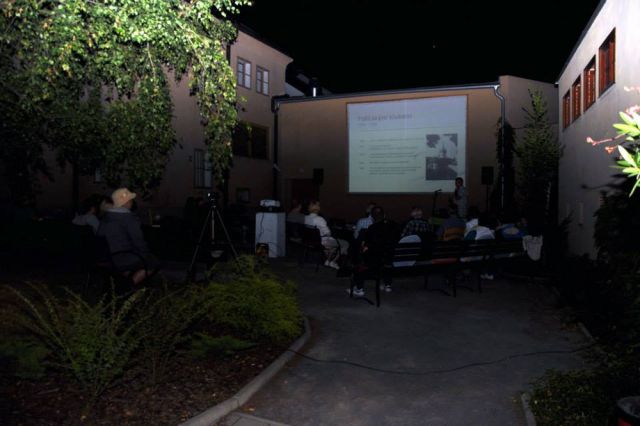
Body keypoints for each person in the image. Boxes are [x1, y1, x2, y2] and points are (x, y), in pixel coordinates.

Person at [98, 188, 160, 285]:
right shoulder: (129, 218)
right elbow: (138, 241)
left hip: (108, 257)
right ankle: (129, 285)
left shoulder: (106, 217)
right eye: (130, 200)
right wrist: (145, 253)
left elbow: (100, 235)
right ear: (126, 202)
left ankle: (122, 282)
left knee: (132, 263)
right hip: (124, 257)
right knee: (153, 262)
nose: (132, 202)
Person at [351, 206, 399, 296]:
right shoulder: (393, 226)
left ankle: (359, 289)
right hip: (389, 259)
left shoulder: (372, 228)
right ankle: (388, 285)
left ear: (372, 217)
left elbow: (366, 247)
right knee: (386, 260)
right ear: (384, 215)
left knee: (358, 259)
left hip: (374, 261)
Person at [304, 200, 349, 269]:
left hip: (311, 241)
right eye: (319, 205)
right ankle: (332, 261)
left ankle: (328, 260)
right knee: (345, 243)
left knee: (333, 246)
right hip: (322, 242)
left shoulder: (306, 217)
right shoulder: (320, 219)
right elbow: (328, 233)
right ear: (317, 208)